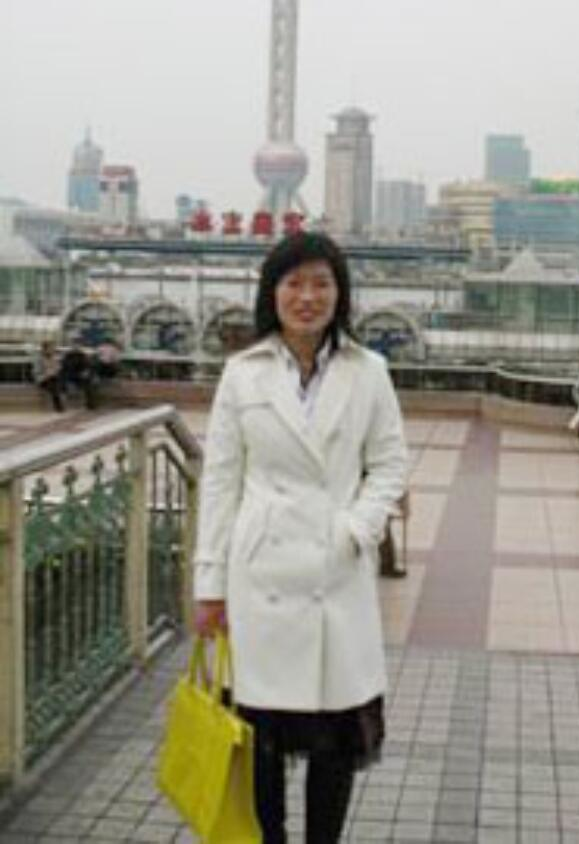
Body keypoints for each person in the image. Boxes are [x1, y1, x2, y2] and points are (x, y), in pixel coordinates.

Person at [192, 232, 407, 844]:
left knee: (335, 738)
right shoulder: (242, 374)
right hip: (261, 577)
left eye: (321, 283)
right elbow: (221, 482)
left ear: (340, 294)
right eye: (294, 283)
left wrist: (355, 528)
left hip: (335, 574)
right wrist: (209, 585)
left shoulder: (369, 372)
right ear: (272, 293)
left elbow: (390, 464)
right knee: (261, 739)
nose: (307, 297)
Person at [60, 341, 96, 410]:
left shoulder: (82, 355)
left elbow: (88, 366)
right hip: (70, 375)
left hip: (80, 375)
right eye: (74, 346)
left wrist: (86, 372)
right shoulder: (68, 356)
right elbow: (64, 367)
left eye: (77, 346)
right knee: (62, 380)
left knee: (88, 383)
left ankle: (90, 403)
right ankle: (63, 401)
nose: (76, 347)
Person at [33, 340, 64, 412]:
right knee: (54, 386)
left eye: (52, 348)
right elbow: (36, 372)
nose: (52, 350)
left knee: (57, 383)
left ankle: (59, 406)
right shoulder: (39, 359)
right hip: (44, 380)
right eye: (50, 348)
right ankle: (59, 407)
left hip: (55, 378)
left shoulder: (55, 358)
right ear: (45, 349)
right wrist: (46, 375)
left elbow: (59, 368)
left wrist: (56, 370)